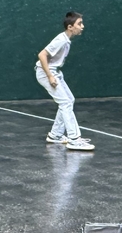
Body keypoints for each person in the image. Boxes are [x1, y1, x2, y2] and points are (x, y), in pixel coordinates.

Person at [35, 12, 93, 151]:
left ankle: (55, 135)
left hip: (54, 72)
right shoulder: (61, 40)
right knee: (65, 103)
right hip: (46, 73)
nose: (82, 26)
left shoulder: (66, 40)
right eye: (79, 24)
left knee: (69, 100)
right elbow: (42, 55)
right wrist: (50, 76)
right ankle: (74, 139)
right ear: (70, 27)